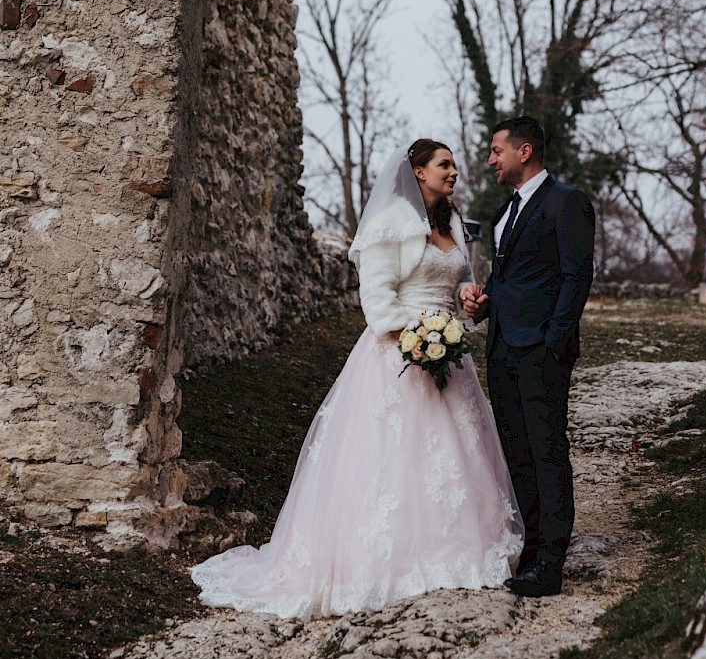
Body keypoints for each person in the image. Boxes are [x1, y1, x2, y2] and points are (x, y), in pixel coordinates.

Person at [190, 140, 523, 620]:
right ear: (417, 171)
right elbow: (378, 303)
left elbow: (460, 286)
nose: (454, 172)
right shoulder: (389, 225)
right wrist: (419, 332)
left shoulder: (452, 222)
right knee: (392, 459)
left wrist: (470, 302)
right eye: (444, 165)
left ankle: (462, 546)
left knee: (458, 458)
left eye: (453, 165)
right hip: (397, 356)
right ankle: (386, 560)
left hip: (448, 355)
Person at [460, 116, 595, 598]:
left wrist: (553, 342)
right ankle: (530, 551)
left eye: (497, 150)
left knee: (547, 452)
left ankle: (552, 563)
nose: (490, 159)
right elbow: (509, 282)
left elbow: (575, 278)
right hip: (501, 350)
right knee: (517, 454)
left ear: (525, 152)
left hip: (540, 352)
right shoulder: (503, 215)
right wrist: (484, 303)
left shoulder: (567, 203)